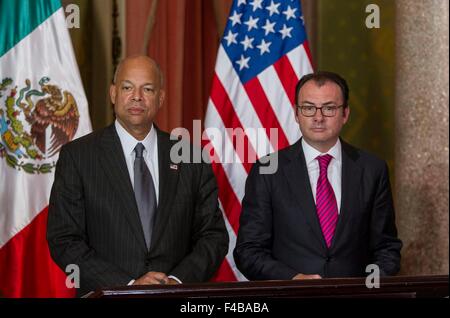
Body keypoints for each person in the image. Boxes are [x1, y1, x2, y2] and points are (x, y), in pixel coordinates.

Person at [47, 55, 228, 296]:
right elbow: (64, 239)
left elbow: (213, 236)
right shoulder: (78, 157)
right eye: (127, 87)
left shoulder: (191, 158)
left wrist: (177, 280)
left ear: (161, 97)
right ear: (113, 94)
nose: (137, 97)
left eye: (148, 89)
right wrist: (128, 285)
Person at [234, 71, 402, 280]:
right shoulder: (267, 170)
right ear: (296, 113)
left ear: (345, 114)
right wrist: (293, 279)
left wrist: (369, 284)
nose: (318, 117)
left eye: (329, 108)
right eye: (308, 108)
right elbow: (248, 251)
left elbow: (387, 248)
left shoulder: (372, 169)